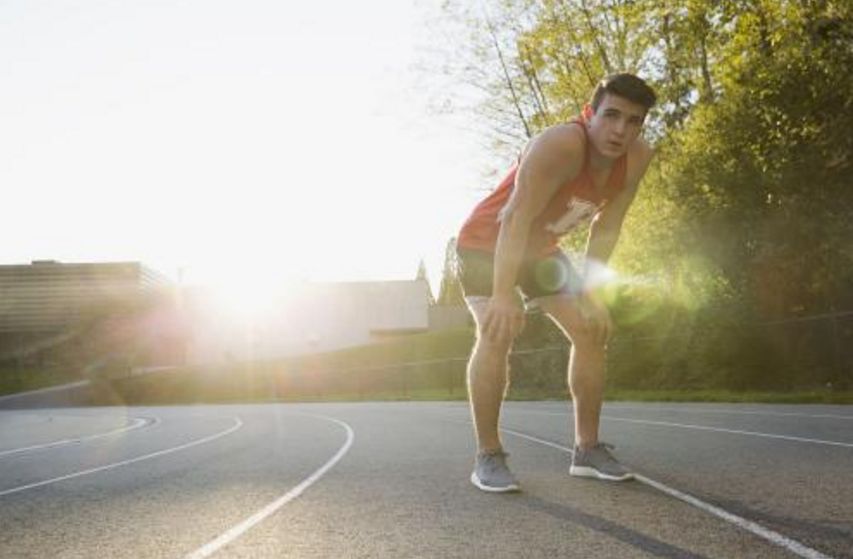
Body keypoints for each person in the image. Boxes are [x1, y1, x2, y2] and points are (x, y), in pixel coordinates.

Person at [456, 73, 656, 492]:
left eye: (634, 121)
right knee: (498, 330)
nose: (621, 130)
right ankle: (488, 456)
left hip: (541, 248)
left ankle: (587, 449)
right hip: (486, 243)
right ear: (590, 113)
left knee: (590, 329)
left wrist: (591, 295)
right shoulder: (560, 145)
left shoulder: (637, 158)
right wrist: (502, 293)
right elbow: (514, 219)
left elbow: (606, 228)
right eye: (612, 115)